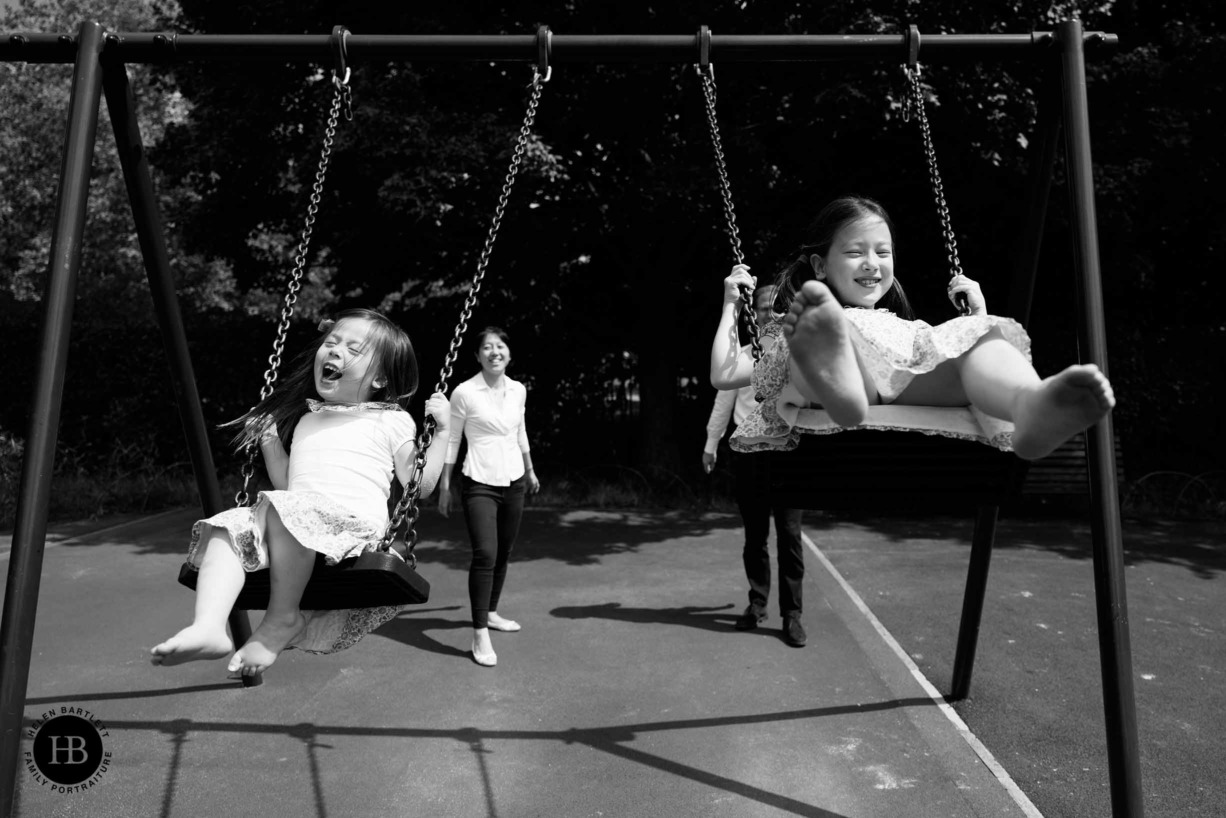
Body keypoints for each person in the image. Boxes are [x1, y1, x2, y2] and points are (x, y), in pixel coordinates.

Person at [151, 309, 451, 676]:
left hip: (351, 532)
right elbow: (288, 487)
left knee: (288, 511)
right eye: (331, 342)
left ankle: (283, 616)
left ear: (380, 379)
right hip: (297, 523)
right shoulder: (310, 418)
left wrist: (442, 434)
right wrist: (270, 441)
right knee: (225, 528)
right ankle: (209, 625)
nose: (334, 350)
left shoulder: (389, 419)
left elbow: (418, 486)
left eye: (353, 349)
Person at [711, 195, 1115, 460]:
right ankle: (839, 383)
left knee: (979, 338)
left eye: (882, 253)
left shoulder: (909, 330)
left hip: (907, 375)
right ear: (820, 267)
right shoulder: (808, 318)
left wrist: (977, 318)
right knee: (809, 340)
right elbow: (724, 375)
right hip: (833, 365)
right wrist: (732, 305)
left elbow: (950, 352)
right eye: (855, 252)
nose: (872, 262)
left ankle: (1029, 405)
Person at [704, 285, 808, 647]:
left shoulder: (796, 356)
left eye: (777, 308)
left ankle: (792, 614)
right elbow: (722, 404)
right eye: (764, 308)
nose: (770, 314)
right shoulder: (742, 358)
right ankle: (757, 603)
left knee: (790, 535)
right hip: (748, 453)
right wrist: (710, 445)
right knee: (755, 536)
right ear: (754, 313)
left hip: (787, 451)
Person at [438, 327, 540, 668]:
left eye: (500, 346)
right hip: (478, 481)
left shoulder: (518, 390)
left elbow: (520, 430)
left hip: (514, 481)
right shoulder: (465, 392)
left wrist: (530, 469)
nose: (494, 352)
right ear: (478, 355)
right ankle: (479, 631)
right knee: (485, 553)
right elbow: (452, 439)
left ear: (509, 354)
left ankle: (492, 612)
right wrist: (445, 485)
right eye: (487, 347)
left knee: (504, 552)